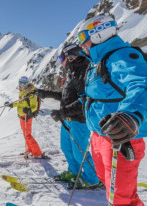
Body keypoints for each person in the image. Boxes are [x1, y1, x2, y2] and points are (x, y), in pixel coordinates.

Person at [77, 15, 147, 205]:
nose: (81, 44)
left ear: (98, 34)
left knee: (121, 199)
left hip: (121, 137)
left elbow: (146, 84)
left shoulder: (120, 55)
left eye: (83, 38)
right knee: (108, 185)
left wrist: (130, 115)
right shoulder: (97, 63)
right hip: (100, 136)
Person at [37, 44, 100, 188]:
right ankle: (74, 172)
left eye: (61, 58)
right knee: (66, 148)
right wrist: (46, 93)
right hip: (67, 119)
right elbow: (65, 96)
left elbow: (84, 101)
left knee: (80, 152)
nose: (61, 62)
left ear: (71, 56)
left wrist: (62, 112)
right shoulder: (72, 73)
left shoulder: (84, 73)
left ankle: (92, 179)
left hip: (78, 120)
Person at [5, 76, 47, 159]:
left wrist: (28, 110)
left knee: (28, 135)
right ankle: (30, 149)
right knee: (25, 135)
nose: (22, 85)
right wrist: (12, 104)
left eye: (24, 83)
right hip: (21, 117)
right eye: (21, 83)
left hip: (26, 117)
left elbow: (34, 107)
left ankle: (37, 152)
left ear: (28, 83)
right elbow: (20, 103)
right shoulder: (23, 92)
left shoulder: (31, 93)